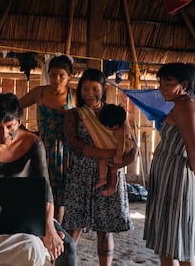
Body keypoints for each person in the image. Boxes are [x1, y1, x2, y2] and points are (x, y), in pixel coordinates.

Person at [0, 92, 76, 264]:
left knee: (68, 246)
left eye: (10, 127)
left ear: (20, 122)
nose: (4, 134)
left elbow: (44, 187)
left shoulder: (33, 143)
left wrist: (49, 227)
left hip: (24, 210)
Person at [62, 68, 137, 265]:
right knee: (73, 225)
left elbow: (132, 146)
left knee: (105, 228)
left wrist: (117, 163)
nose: (89, 94)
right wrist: (106, 154)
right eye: (85, 89)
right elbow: (74, 144)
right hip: (80, 175)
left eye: (94, 89)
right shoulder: (75, 115)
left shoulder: (114, 114)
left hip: (110, 173)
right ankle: (67, 262)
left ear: (103, 89)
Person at [143, 63, 195, 265]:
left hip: (175, 180)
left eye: (168, 83)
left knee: (176, 243)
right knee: (174, 241)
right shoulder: (192, 106)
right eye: (160, 82)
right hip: (175, 177)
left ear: (184, 84)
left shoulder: (185, 107)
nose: (162, 87)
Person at [19, 55, 74, 223]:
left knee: (60, 199)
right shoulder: (39, 92)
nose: (56, 79)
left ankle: (56, 233)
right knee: (41, 192)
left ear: (69, 77)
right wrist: (25, 133)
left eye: (61, 76)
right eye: (52, 75)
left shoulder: (75, 96)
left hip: (66, 153)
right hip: (41, 149)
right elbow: (14, 108)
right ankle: (39, 232)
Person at [88, 103, 134, 196]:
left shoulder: (119, 131)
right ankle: (103, 179)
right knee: (102, 160)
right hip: (117, 147)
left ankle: (113, 186)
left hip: (124, 148)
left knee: (114, 169)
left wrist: (118, 156)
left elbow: (121, 144)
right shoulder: (116, 127)